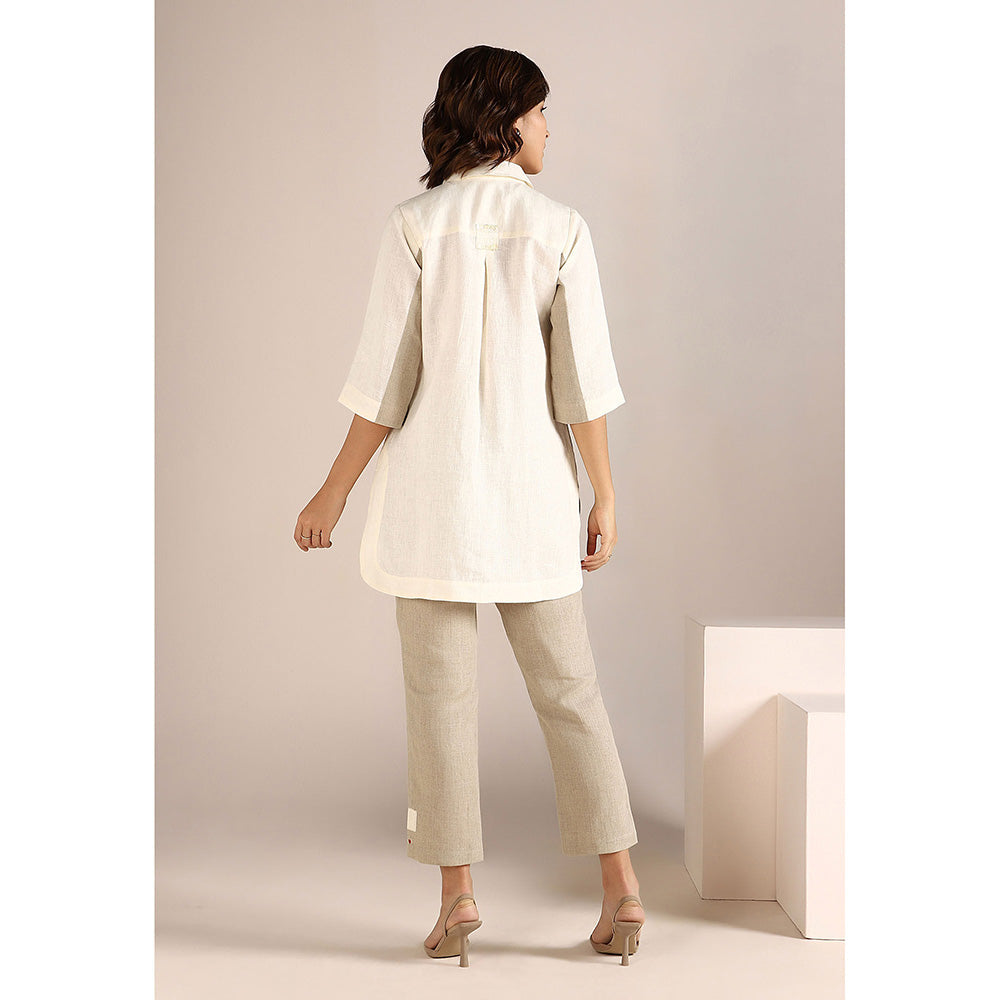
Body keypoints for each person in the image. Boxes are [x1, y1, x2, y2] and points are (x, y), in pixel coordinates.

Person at [293, 44, 645, 967]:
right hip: (533, 501)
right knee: (572, 695)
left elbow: (386, 380)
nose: (549, 128)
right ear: (505, 119)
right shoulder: (562, 228)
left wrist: (334, 491)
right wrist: (605, 493)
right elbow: (583, 382)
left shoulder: (414, 225)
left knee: (438, 702)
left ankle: (458, 899)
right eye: (540, 112)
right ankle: (622, 888)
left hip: (432, 504)